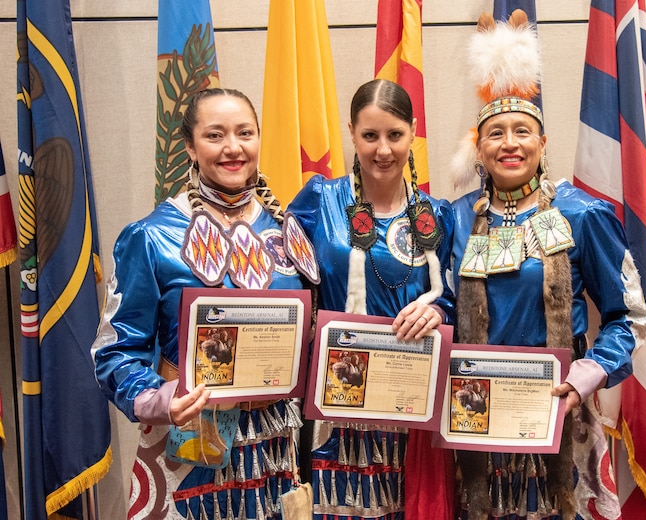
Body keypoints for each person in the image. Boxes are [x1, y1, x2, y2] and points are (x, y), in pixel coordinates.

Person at [449, 12, 646, 520]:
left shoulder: (581, 214)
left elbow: (629, 317)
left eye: (522, 131)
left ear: (543, 145)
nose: (510, 143)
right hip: (478, 417)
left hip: (561, 417)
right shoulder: (455, 217)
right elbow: (444, 303)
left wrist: (584, 377)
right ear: (480, 146)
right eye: (496, 133)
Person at [92, 88, 310, 520]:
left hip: (273, 448)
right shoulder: (152, 237)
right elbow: (113, 351)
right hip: (188, 442)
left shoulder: (287, 232)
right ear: (190, 146)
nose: (233, 147)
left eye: (245, 133)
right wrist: (161, 401)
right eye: (215, 135)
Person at [286, 78, 457, 519]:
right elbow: (284, 283)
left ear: (413, 133)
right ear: (351, 132)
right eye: (370, 135)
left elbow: (460, 298)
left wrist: (436, 309)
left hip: (410, 400)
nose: (383, 150)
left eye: (395, 135)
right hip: (338, 398)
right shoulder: (319, 200)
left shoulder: (437, 214)